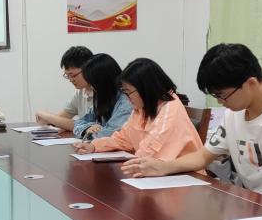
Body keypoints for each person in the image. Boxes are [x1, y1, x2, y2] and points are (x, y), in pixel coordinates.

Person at [125, 43, 262, 206]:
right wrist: (163, 167)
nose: (220, 102)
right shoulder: (234, 114)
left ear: (250, 83)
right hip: (260, 209)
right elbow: (203, 156)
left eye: (222, 95)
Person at [75, 58, 204, 166]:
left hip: (186, 177)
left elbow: (152, 148)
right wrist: (94, 146)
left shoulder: (170, 107)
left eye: (128, 92)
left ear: (145, 88)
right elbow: (123, 138)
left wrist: (132, 165)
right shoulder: (141, 108)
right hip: (156, 173)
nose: (127, 97)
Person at [71, 53, 132, 139]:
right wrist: (88, 128)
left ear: (103, 81)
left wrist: (92, 132)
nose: (91, 87)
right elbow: (78, 123)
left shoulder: (127, 102)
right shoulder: (102, 97)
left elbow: (110, 134)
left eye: (92, 83)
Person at [35, 46, 94, 132]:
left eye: (73, 75)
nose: (70, 80)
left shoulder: (103, 90)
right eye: (67, 75)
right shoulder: (80, 92)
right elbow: (59, 119)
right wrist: (46, 119)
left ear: (88, 69)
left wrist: (46, 115)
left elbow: (85, 127)